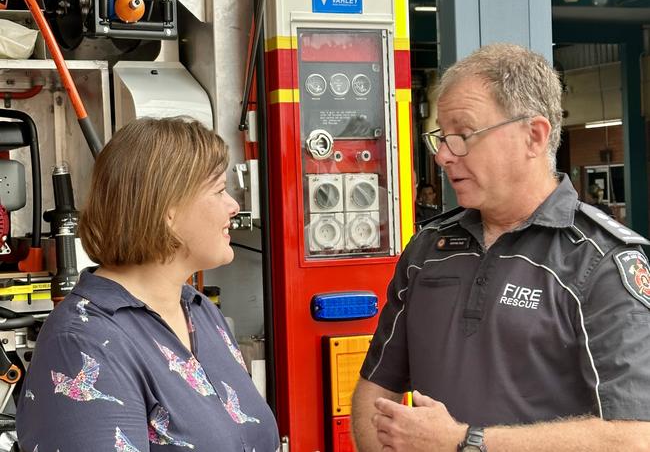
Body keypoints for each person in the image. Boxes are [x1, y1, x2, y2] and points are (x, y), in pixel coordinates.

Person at [351, 43, 650, 451]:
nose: (442, 155)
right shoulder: (428, 250)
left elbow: (635, 437)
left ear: (534, 135)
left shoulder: (600, 262)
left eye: (462, 135)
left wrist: (466, 443)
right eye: (440, 136)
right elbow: (376, 389)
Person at [16, 117, 280, 451]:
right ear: (168, 211)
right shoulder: (82, 341)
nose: (234, 206)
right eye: (219, 190)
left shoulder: (199, 311)